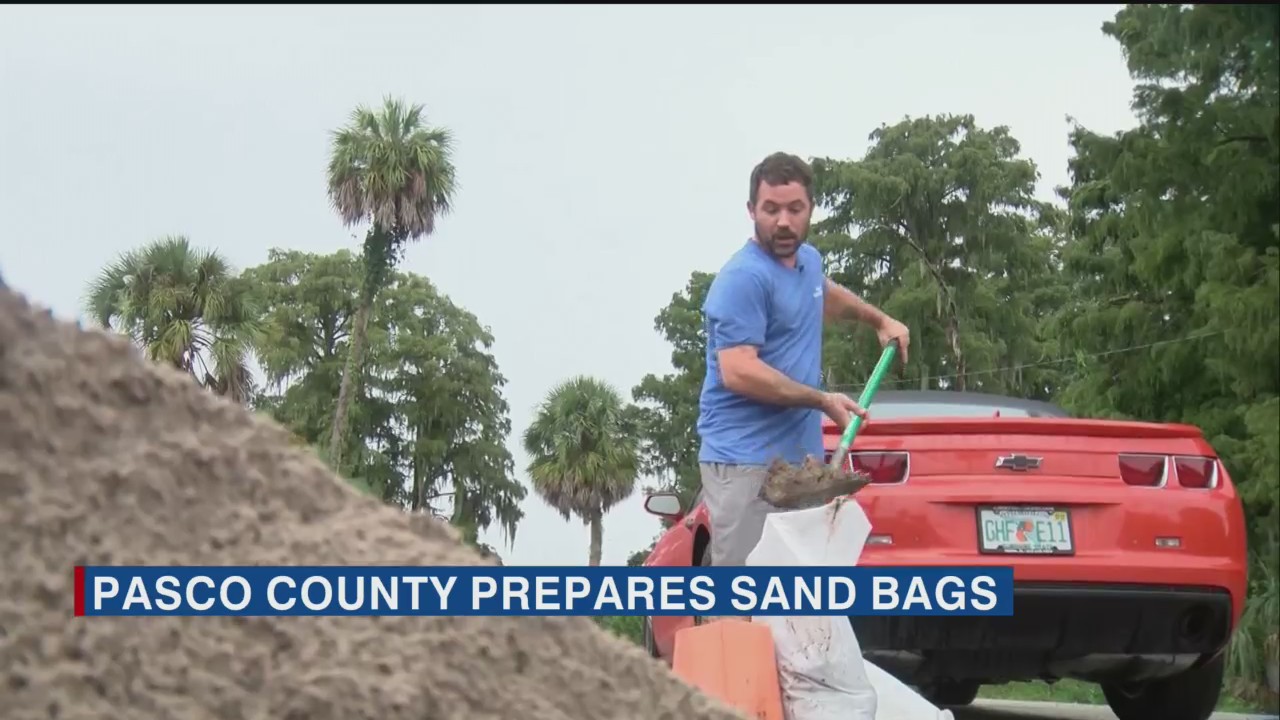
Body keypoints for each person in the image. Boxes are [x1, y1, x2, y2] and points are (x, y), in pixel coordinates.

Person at [696, 151, 911, 567]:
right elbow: (738, 371)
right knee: (748, 601)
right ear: (751, 211)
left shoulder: (806, 262)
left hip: (800, 463)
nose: (783, 221)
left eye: (795, 209)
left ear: (810, 208)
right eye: (770, 209)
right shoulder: (742, 279)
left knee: (798, 603)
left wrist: (878, 319)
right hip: (745, 465)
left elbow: (822, 292)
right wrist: (822, 400)